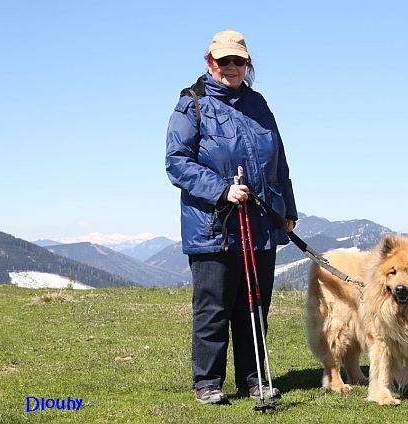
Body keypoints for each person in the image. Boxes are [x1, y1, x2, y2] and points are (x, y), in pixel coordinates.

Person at [165, 29, 298, 405]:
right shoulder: (191, 105)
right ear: (211, 62)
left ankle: (254, 379)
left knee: (254, 306)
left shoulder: (258, 104)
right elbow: (177, 163)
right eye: (224, 61)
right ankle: (207, 382)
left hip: (259, 224)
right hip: (214, 226)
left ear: (247, 63)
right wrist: (222, 189)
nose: (231, 67)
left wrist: (286, 211)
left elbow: (279, 164)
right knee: (213, 307)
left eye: (238, 60)